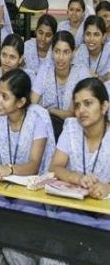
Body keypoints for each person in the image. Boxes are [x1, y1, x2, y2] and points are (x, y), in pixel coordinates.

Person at [0, 68, 56, 265]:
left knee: (14, 239)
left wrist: (10, 169)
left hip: (28, 190)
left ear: (21, 102)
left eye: (5, 96)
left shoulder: (37, 119)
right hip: (1, 187)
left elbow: (33, 165)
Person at [47, 77, 110, 230]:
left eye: (88, 103)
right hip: (72, 208)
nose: (81, 110)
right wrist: (78, 178)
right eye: (77, 105)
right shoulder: (71, 128)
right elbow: (55, 167)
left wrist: (107, 187)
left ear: (104, 106)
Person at [32, 31, 90, 119]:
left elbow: (73, 113)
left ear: (73, 53)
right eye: (57, 51)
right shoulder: (45, 69)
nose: (60, 57)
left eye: (66, 52)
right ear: (52, 52)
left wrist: (50, 110)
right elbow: (33, 104)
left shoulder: (81, 72)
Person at [0, 33, 35, 106]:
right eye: (4, 55)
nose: (7, 61)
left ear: (20, 59)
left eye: (12, 57)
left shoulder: (28, 77)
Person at [73, 15, 110, 81]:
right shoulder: (81, 51)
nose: (91, 39)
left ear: (104, 37)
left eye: (96, 34)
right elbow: (76, 75)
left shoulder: (108, 52)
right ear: (83, 36)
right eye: (88, 34)